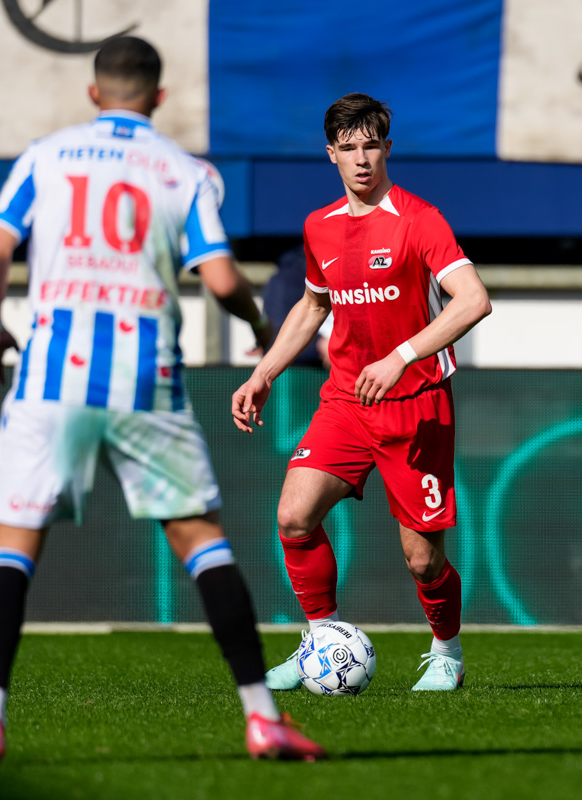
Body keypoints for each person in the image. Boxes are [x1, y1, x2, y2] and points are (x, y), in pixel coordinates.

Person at [0, 36, 324, 765]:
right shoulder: (183, 171)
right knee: (202, 541)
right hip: (145, 377)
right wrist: (260, 325)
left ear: (94, 94)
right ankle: (262, 719)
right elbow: (220, 279)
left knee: (13, 546)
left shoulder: (45, 156)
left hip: (51, 377)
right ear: (159, 97)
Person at [231, 93, 492, 692]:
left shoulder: (420, 220)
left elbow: (474, 300)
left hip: (416, 403)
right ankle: (321, 643)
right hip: (346, 401)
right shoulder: (318, 226)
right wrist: (264, 373)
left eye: (372, 145)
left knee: (422, 559)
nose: (362, 159)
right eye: (349, 148)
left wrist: (401, 357)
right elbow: (312, 306)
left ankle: (447, 652)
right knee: (294, 516)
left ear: (387, 148)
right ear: (331, 154)